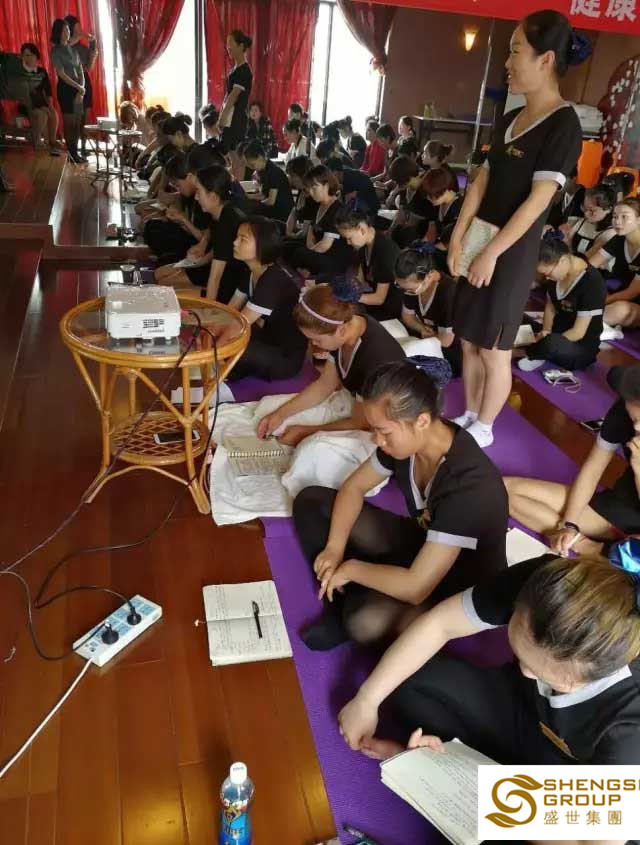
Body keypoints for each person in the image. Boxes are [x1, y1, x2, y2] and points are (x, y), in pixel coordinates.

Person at [338, 548, 640, 777]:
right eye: (519, 652)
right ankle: (446, 759)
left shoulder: (630, 729)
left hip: (565, 773)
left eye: (538, 671)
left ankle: (451, 764)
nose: (523, 669)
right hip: (517, 708)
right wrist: (367, 699)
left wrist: (454, 778)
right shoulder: (546, 583)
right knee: (408, 681)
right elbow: (441, 624)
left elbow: (588, 830)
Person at [293, 361, 508, 650]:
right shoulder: (407, 444)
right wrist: (334, 548)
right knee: (311, 502)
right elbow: (354, 487)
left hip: (460, 582)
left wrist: (352, 568)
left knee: (364, 621)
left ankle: (350, 596)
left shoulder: (467, 486)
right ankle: (337, 598)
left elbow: (416, 588)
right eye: (375, 430)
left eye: (384, 432)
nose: (377, 440)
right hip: (426, 541)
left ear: (422, 421)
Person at [447, 10, 584, 448]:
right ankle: (471, 413)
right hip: (480, 240)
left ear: (545, 59)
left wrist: (492, 253)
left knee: (494, 346)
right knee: (469, 339)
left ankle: (486, 427)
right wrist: (459, 236)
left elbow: (538, 200)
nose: (507, 63)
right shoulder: (509, 119)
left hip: (511, 252)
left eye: (514, 51)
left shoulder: (564, 124)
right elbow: (480, 181)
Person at [506, 362, 640, 554]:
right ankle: (588, 544)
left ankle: (598, 549)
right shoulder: (623, 410)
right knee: (504, 489)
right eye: (633, 418)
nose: (636, 427)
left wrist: (638, 468)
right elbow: (593, 468)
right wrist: (569, 524)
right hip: (618, 505)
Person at [257, 283, 405, 449]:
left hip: (376, 425)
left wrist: (305, 433)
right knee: (268, 410)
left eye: (317, 340)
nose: (314, 344)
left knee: (312, 447)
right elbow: (325, 384)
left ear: (341, 330)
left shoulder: (374, 360)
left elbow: (361, 423)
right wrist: (280, 414)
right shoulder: (345, 327)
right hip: (351, 403)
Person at [215, 217, 307, 381]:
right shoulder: (250, 270)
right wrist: (211, 331)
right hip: (265, 338)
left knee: (229, 345)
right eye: (237, 237)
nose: (235, 243)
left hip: (284, 357)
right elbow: (229, 311)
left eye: (243, 239)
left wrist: (212, 350)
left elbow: (238, 325)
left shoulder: (273, 278)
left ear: (263, 245)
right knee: (220, 337)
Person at [158, 165, 248, 302]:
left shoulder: (226, 221)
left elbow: (216, 277)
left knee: (166, 295)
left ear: (212, 196)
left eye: (199, 192)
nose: (196, 197)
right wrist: (199, 260)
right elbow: (218, 249)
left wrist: (208, 308)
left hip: (227, 285)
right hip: (217, 272)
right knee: (163, 282)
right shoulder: (221, 213)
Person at [517, 236, 605, 372]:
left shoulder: (592, 282)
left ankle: (528, 353)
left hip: (577, 346)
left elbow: (578, 332)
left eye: (548, 273)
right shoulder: (556, 275)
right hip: (555, 333)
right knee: (517, 317)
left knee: (552, 343)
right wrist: (545, 331)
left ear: (563, 260)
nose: (547, 278)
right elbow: (550, 307)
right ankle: (540, 350)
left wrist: (545, 340)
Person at [395, 244, 462, 376]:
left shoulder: (448, 293)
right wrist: (421, 328)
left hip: (450, 351)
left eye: (411, 289)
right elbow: (407, 317)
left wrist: (427, 335)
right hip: (428, 337)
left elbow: (446, 341)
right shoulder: (410, 285)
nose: (406, 292)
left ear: (429, 276)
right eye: (400, 286)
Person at [150, 148, 213, 270]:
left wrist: (183, 220)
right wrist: (179, 218)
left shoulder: (205, 200)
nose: (176, 188)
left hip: (199, 250)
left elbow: (205, 240)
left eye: (177, 184)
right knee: (152, 226)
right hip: (192, 242)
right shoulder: (189, 194)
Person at [289, 165, 356, 279]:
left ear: (327, 185)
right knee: (288, 244)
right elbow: (310, 232)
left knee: (298, 253)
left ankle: (307, 269)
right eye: (309, 188)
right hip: (318, 250)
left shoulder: (338, 210)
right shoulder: (317, 204)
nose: (311, 192)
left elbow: (325, 245)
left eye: (314, 187)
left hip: (332, 257)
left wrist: (308, 254)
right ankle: (306, 267)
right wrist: (308, 251)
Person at [336, 207, 401, 321]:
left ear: (362, 229)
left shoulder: (386, 251)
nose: (348, 242)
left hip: (391, 306)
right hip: (374, 298)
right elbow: (360, 279)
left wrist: (353, 297)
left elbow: (379, 299)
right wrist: (350, 288)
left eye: (349, 238)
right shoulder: (363, 245)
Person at [591, 198, 640, 329]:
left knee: (620, 310)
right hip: (615, 294)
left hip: (633, 303)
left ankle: (587, 321)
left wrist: (603, 301)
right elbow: (590, 267)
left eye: (624, 217)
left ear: (639, 219)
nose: (617, 221)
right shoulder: (619, 239)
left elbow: (632, 292)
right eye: (615, 216)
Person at [217, 29, 253, 176]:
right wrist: (222, 113)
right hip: (230, 117)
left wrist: (222, 118)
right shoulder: (235, 69)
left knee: (236, 157)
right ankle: (236, 183)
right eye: (227, 44)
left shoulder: (244, 70)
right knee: (232, 158)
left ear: (241, 46)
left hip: (236, 118)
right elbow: (227, 95)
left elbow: (233, 96)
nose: (228, 47)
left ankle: (240, 186)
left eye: (231, 43)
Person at [50, 19, 85, 164]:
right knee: (69, 123)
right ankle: (71, 154)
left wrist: (81, 89)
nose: (67, 33)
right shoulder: (55, 51)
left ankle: (75, 153)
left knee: (77, 123)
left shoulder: (73, 50)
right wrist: (78, 87)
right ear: (58, 33)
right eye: (64, 30)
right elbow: (61, 74)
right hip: (66, 88)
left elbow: (81, 71)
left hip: (78, 89)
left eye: (68, 30)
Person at [17, 43, 60, 155]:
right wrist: (42, 107)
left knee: (53, 114)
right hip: (26, 104)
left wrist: (50, 105)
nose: (27, 58)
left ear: (36, 56)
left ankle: (51, 141)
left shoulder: (41, 71)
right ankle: (37, 141)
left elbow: (48, 90)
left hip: (41, 103)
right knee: (42, 114)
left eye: (30, 55)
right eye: (25, 55)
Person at [65, 15, 98, 159]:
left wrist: (93, 55)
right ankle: (73, 151)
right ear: (69, 29)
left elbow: (89, 67)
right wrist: (82, 35)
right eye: (77, 28)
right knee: (75, 119)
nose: (80, 30)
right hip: (72, 83)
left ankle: (83, 148)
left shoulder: (82, 47)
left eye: (80, 28)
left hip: (85, 82)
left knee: (85, 118)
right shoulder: (65, 45)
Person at [243, 141, 294, 222]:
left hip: (281, 213)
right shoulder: (262, 170)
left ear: (260, 157)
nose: (252, 168)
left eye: (252, 164)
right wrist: (247, 196)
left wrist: (255, 205)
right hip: (273, 209)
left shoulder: (273, 172)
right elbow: (263, 195)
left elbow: (271, 201)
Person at [565, 183, 615, 260]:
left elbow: (588, 259)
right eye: (584, 208)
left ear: (608, 209)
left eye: (592, 211)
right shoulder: (582, 222)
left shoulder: (610, 233)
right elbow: (567, 243)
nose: (586, 214)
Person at [422, 167, 463, 261]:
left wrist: (429, 250)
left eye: (431, 195)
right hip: (438, 247)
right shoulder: (438, 204)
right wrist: (421, 244)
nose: (428, 198)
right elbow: (432, 231)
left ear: (444, 190)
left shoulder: (459, 208)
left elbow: (450, 243)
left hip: (451, 254)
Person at [284, 155, 317, 239]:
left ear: (303, 176)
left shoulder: (313, 197)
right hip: (300, 232)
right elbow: (294, 212)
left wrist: (292, 235)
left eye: (292, 176)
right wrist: (288, 231)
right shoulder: (302, 191)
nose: (290, 179)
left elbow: (305, 233)